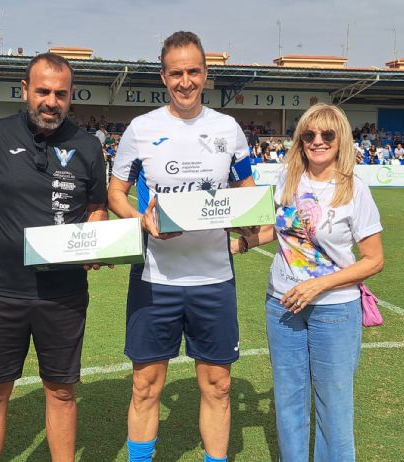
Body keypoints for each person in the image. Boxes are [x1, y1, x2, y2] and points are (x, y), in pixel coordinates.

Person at [0, 52, 107, 462]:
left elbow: (96, 208)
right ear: (25, 91)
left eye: (60, 93)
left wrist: (96, 242)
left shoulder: (89, 146)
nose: (50, 101)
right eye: (42, 91)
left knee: (61, 390)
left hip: (64, 294)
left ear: (71, 96)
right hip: (0, 291)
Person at [107, 31, 257, 462]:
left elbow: (247, 195)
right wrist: (142, 221)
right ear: (164, 76)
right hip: (156, 280)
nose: (185, 81)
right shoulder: (141, 129)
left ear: (206, 75)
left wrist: (252, 223)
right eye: (177, 73)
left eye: (194, 72)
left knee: (219, 386)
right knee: (145, 386)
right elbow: (116, 192)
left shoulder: (227, 129)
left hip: (213, 279)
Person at [231, 103, 384, 461]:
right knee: (288, 400)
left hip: (334, 310)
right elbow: (282, 229)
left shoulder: (354, 190)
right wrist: (242, 243)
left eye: (327, 134)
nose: (318, 141)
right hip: (281, 305)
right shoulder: (287, 180)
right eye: (309, 134)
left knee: (333, 405)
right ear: (300, 140)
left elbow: (374, 260)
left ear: (340, 139)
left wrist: (319, 285)